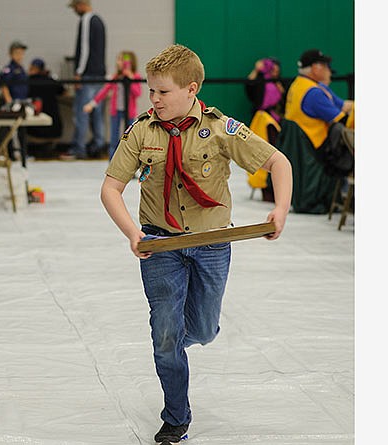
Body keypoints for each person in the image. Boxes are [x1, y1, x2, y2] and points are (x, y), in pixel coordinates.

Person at [100, 44, 292, 444]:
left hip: (212, 244)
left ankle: (176, 343)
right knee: (166, 334)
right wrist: (133, 233)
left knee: (203, 330)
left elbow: (278, 162)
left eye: (163, 92)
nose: (154, 100)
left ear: (191, 89)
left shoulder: (221, 129)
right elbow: (111, 188)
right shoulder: (142, 131)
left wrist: (280, 209)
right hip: (159, 246)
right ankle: (176, 417)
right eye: (151, 91)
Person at [280, 48, 354, 213]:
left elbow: (342, 105)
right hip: (317, 150)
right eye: (327, 66)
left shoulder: (302, 84)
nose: (330, 71)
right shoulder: (314, 93)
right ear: (316, 68)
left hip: (306, 147)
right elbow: (342, 119)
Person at [64, 0, 106, 160]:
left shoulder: (87, 20)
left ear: (81, 4)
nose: (75, 11)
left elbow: (85, 48)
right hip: (99, 74)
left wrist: (79, 72)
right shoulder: (100, 21)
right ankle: (98, 144)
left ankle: (79, 148)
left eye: (75, 7)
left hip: (88, 74)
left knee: (81, 111)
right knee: (96, 112)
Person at [83, 50, 142, 159]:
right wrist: (92, 104)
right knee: (114, 139)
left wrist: (130, 78)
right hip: (116, 112)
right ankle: (112, 164)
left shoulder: (136, 77)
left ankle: (129, 165)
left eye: (121, 60)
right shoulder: (115, 77)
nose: (118, 62)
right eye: (118, 60)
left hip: (129, 112)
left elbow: (137, 93)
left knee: (130, 138)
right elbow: (104, 91)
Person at [244, 57, 286, 202]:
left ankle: (274, 188)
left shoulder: (278, 83)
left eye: (277, 71)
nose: (276, 72)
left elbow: (283, 102)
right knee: (259, 152)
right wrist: (256, 69)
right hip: (262, 119)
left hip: (276, 120)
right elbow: (249, 86)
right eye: (273, 69)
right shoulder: (260, 81)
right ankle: (264, 186)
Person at [27, 57, 66, 140]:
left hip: (34, 130)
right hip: (55, 129)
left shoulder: (28, 82)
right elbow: (64, 91)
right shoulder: (51, 81)